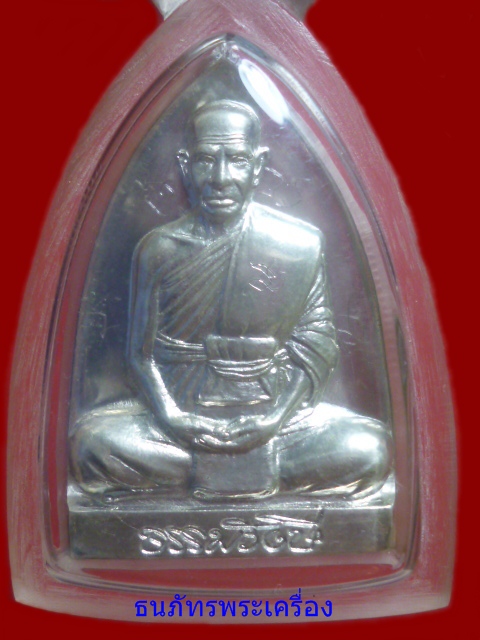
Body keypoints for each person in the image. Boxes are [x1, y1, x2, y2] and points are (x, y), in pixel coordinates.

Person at [70, 100, 392, 500]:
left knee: (370, 449)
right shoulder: (160, 249)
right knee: (92, 447)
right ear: (185, 165)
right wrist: (173, 417)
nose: (221, 178)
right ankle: (228, 473)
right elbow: (141, 356)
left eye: (237, 160)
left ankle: (222, 472)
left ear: (258, 165)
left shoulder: (300, 245)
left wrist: (273, 420)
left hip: (279, 424)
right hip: (181, 427)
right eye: (206, 160)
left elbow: (316, 347)